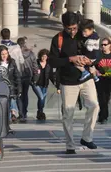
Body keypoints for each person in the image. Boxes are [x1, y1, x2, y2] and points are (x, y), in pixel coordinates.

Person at [49, 11, 99, 154]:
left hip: (87, 77)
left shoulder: (84, 33)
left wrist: (90, 60)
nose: (72, 31)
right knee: (68, 114)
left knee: (94, 105)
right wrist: (70, 59)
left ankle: (87, 138)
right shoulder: (57, 39)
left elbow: (96, 50)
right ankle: (70, 145)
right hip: (67, 81)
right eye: (69, 28)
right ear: (64, 26)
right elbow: (52, 61)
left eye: (75, 28)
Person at [0, 45, 21, 123]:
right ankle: (7, 120)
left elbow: (16, 76)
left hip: (11, 87)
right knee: (4, 106)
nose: (4, 56)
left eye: (6, 53)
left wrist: (19, 88)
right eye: (2, 54)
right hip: (0, 88)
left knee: (11, 102)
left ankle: (12, 115)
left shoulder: (12, 62)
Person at [17, 37, 39, 120]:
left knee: (19, 95)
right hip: (28, 76)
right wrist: (35, 77)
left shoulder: (16, 53)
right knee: (25, 94)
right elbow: (35, 66)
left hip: (18, 76)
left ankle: (20, 113)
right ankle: (25, 112)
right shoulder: (31, 53)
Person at [32, 49, 56, 120]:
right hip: (36, 84)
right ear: (40, 56)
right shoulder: (36, 62)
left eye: (45, 56)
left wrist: (56, 84)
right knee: (41, 97)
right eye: (42, 56)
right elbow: (31, 72)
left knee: (41, 99)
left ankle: (40, 113)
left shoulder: (49, 64)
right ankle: (40, 111)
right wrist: (32, 80)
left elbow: (51, 75)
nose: (44, 58)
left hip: (45, 85)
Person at [96, 38, 111, 124]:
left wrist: (105, 72)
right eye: (102, 45)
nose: (103, 46)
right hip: (100, 80)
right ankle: (103, 116)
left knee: (106, 99)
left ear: (110, 45)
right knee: (101, 99)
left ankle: (103, 116)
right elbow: (94, 65)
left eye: (105, 44)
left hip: (109, 80)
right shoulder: (99, 55)